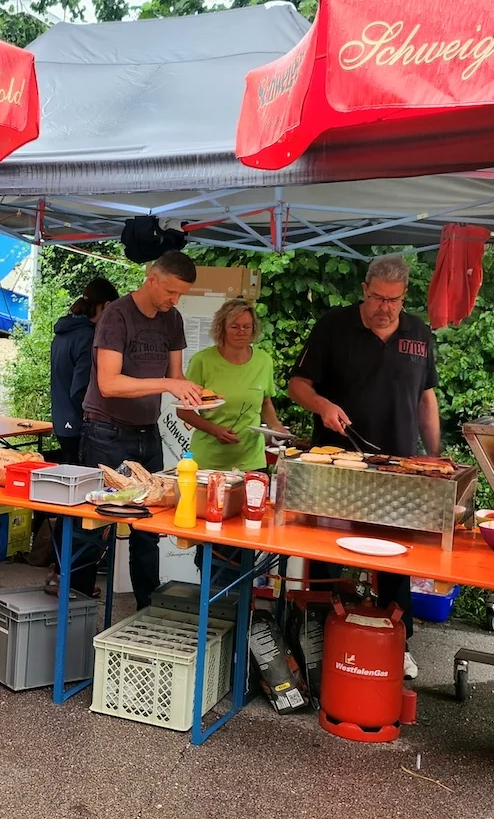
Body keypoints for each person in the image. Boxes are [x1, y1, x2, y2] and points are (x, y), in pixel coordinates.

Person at [288, 253, 440, 681]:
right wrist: (322, 406)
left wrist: (433, 455)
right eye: (376, 298)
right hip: (338, 463)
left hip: (398, 467)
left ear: (403, 295)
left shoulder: (420, 335)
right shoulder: (334, 326)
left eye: (392, 300)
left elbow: (426, 398)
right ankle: (320, 639)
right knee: (328, 556)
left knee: (395, 562)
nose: (383, 308)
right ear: (364, 290)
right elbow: (297, 383)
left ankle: (399, 642)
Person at [80, 250, 205, 609]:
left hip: (146, 431)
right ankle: (75, 604)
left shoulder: (173, 319)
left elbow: (177, 379)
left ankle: (147, 609)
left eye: (181, 294)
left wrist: (196, 398)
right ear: (152, 278)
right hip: (105, 431)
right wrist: (168, 384)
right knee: (95, 523)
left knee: (147, 528)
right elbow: (109, 384)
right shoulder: (117, 316)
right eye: (170, 291)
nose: (174, 300)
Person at [177, 298, 287, 472]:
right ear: (222, 328)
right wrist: (214, 430)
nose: (241, 332)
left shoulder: (264, 361)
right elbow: (183, 410)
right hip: (209, 461)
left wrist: (276, 427)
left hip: (252, 461)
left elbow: (265, 402)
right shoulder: (202, 361)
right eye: (234, 327)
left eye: (247, 327)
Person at [49, 278, 120, 465]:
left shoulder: (62, 333)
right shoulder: (88, 337)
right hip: (80, 423)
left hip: (61, 419)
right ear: (107, 306)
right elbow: (80, 388)